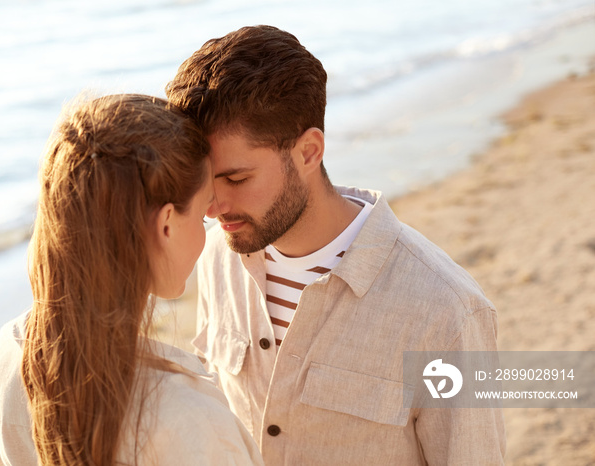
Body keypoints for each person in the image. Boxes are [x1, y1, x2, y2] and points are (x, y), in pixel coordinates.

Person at [166, 25, 506, 465]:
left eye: (235, 178)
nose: (213, 207)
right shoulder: (218, 257)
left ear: (308, 152)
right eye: (205, 183)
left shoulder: (448, 311)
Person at [0, 94, 264, 466]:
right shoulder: (186, 414)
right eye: (201, 216)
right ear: (165, 226)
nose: (210, 226)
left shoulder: (6, 354)